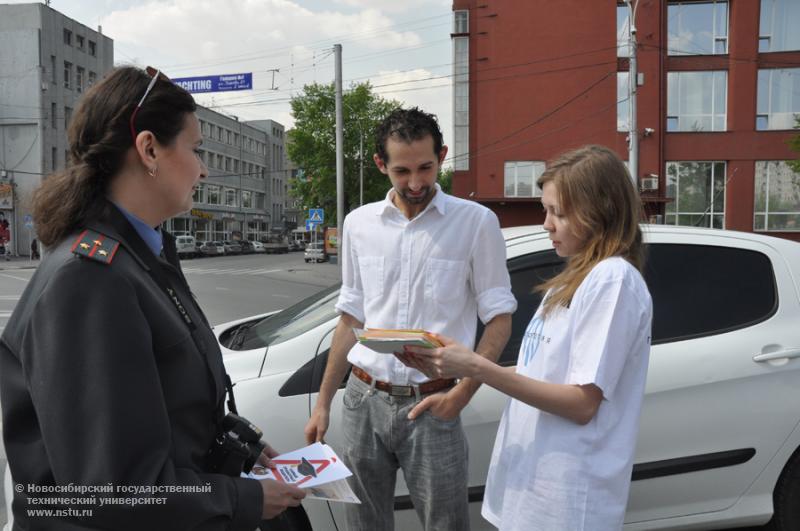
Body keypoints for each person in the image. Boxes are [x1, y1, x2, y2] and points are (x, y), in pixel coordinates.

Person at [0, 66, 306, 530]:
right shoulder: (88, 279)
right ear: (148, 149)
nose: (203, 168)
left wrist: (237, 444)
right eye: (196, 148)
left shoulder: (142, 255)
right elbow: (110, 492)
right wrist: (244, 498)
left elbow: (163, 409)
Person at [402, 145, 653, 531]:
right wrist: (458, 380)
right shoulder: (569, 283)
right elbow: (543, 371)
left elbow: (582, 403)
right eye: (545, 210)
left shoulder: (613, 280)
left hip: (568, 501)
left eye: (559, 213)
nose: (546, 224)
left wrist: (477, 367)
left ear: (599, 212)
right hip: (534, 491)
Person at [303, 107, 517, 530]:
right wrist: (323, 403)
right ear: (381, 164)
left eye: (426, 167)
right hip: (362, 400)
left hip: (434, 402)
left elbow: (500, 319)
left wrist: (461, 396)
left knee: (445, 524)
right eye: (402, 171)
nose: (416, 183)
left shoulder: (476, 223)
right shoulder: (359, 224)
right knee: (364, 524)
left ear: (443, 155)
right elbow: (350, 319)